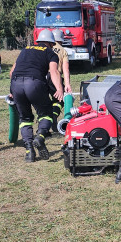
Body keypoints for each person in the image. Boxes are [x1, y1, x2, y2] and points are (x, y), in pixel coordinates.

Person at [10, 30, 62, 162]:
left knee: (25, 118)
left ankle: (29, 152)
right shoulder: (50, 52)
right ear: (51, 43)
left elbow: (12, 72)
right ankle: (40, 137)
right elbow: (54, 72)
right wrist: (59, 88)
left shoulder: (25, 50)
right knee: (46, 114)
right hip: (34, 83)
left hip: (16, 84)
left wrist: (12, 89)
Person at [43, 33, 72, 134]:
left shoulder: (43, 48)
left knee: (43, 102)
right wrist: (67, 84)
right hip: (55, 77)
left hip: (41, 77)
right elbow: (66, 69)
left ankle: (43, 128)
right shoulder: (63, 51)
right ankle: (54, 114)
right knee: (59, 99)